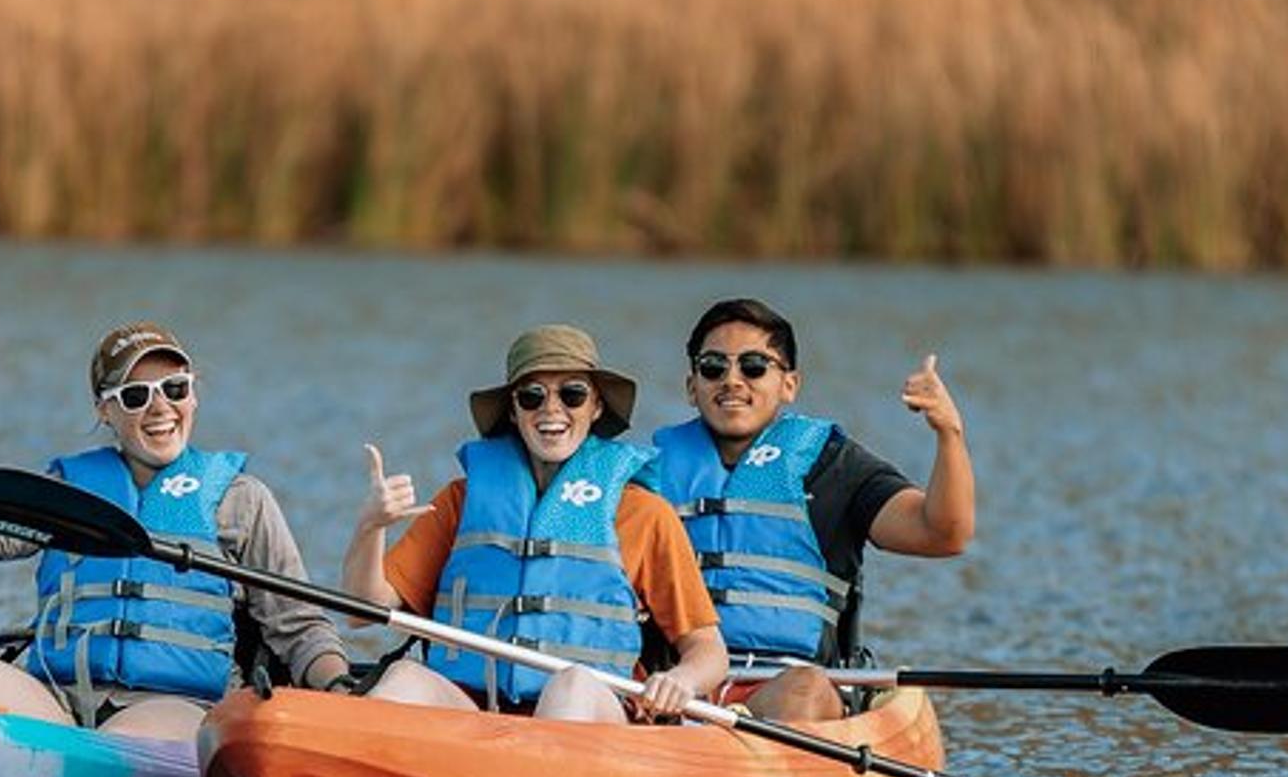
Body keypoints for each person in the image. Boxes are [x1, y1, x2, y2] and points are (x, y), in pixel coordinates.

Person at [0, 322, 354, 740]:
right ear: (105, 411)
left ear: (194, 395)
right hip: (56, 705)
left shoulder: (240, 500)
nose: (160, 407)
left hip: (175, 709)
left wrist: (342, 689)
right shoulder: (70, 490)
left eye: (175, 388)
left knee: (118, 740)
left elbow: (301, 627)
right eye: (135, 395)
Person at [344, 324, 727, 724]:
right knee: (403, 678)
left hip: (591, 713)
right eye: (532, 397)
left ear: (596, 406)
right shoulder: (463, 501)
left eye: (572, 394)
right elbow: (362, 613)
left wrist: (682, 679)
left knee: (571, 686)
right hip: (475, 710)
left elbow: (708, 650)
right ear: (513, 411)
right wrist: (370, 526)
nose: (551, 410)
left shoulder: (644, 514)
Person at [650, 297, 974, 722]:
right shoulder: (650, 475)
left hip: (786, 687)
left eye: (753, 366)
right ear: (692, 387)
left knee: (805, 689)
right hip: (676, 684)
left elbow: (942, 533)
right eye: (713, 367)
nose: (732, 380)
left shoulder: (832, 466)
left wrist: (949, 433)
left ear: (789, 384)